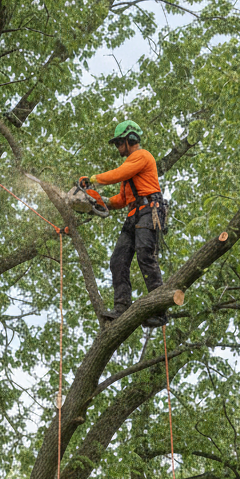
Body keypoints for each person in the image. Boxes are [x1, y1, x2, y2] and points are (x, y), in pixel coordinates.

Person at [80, 120, 167, 327]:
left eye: (120, 142)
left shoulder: (141, 156)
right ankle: (122, 307)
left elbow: (118, 173)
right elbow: (122, 199)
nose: (118, 147)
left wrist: (93, 179)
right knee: (118, 260)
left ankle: (160, 311)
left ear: (132, 139)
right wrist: (102, 201)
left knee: (145, 254)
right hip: (134, 214)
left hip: (150, 210)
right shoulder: (128, 170)